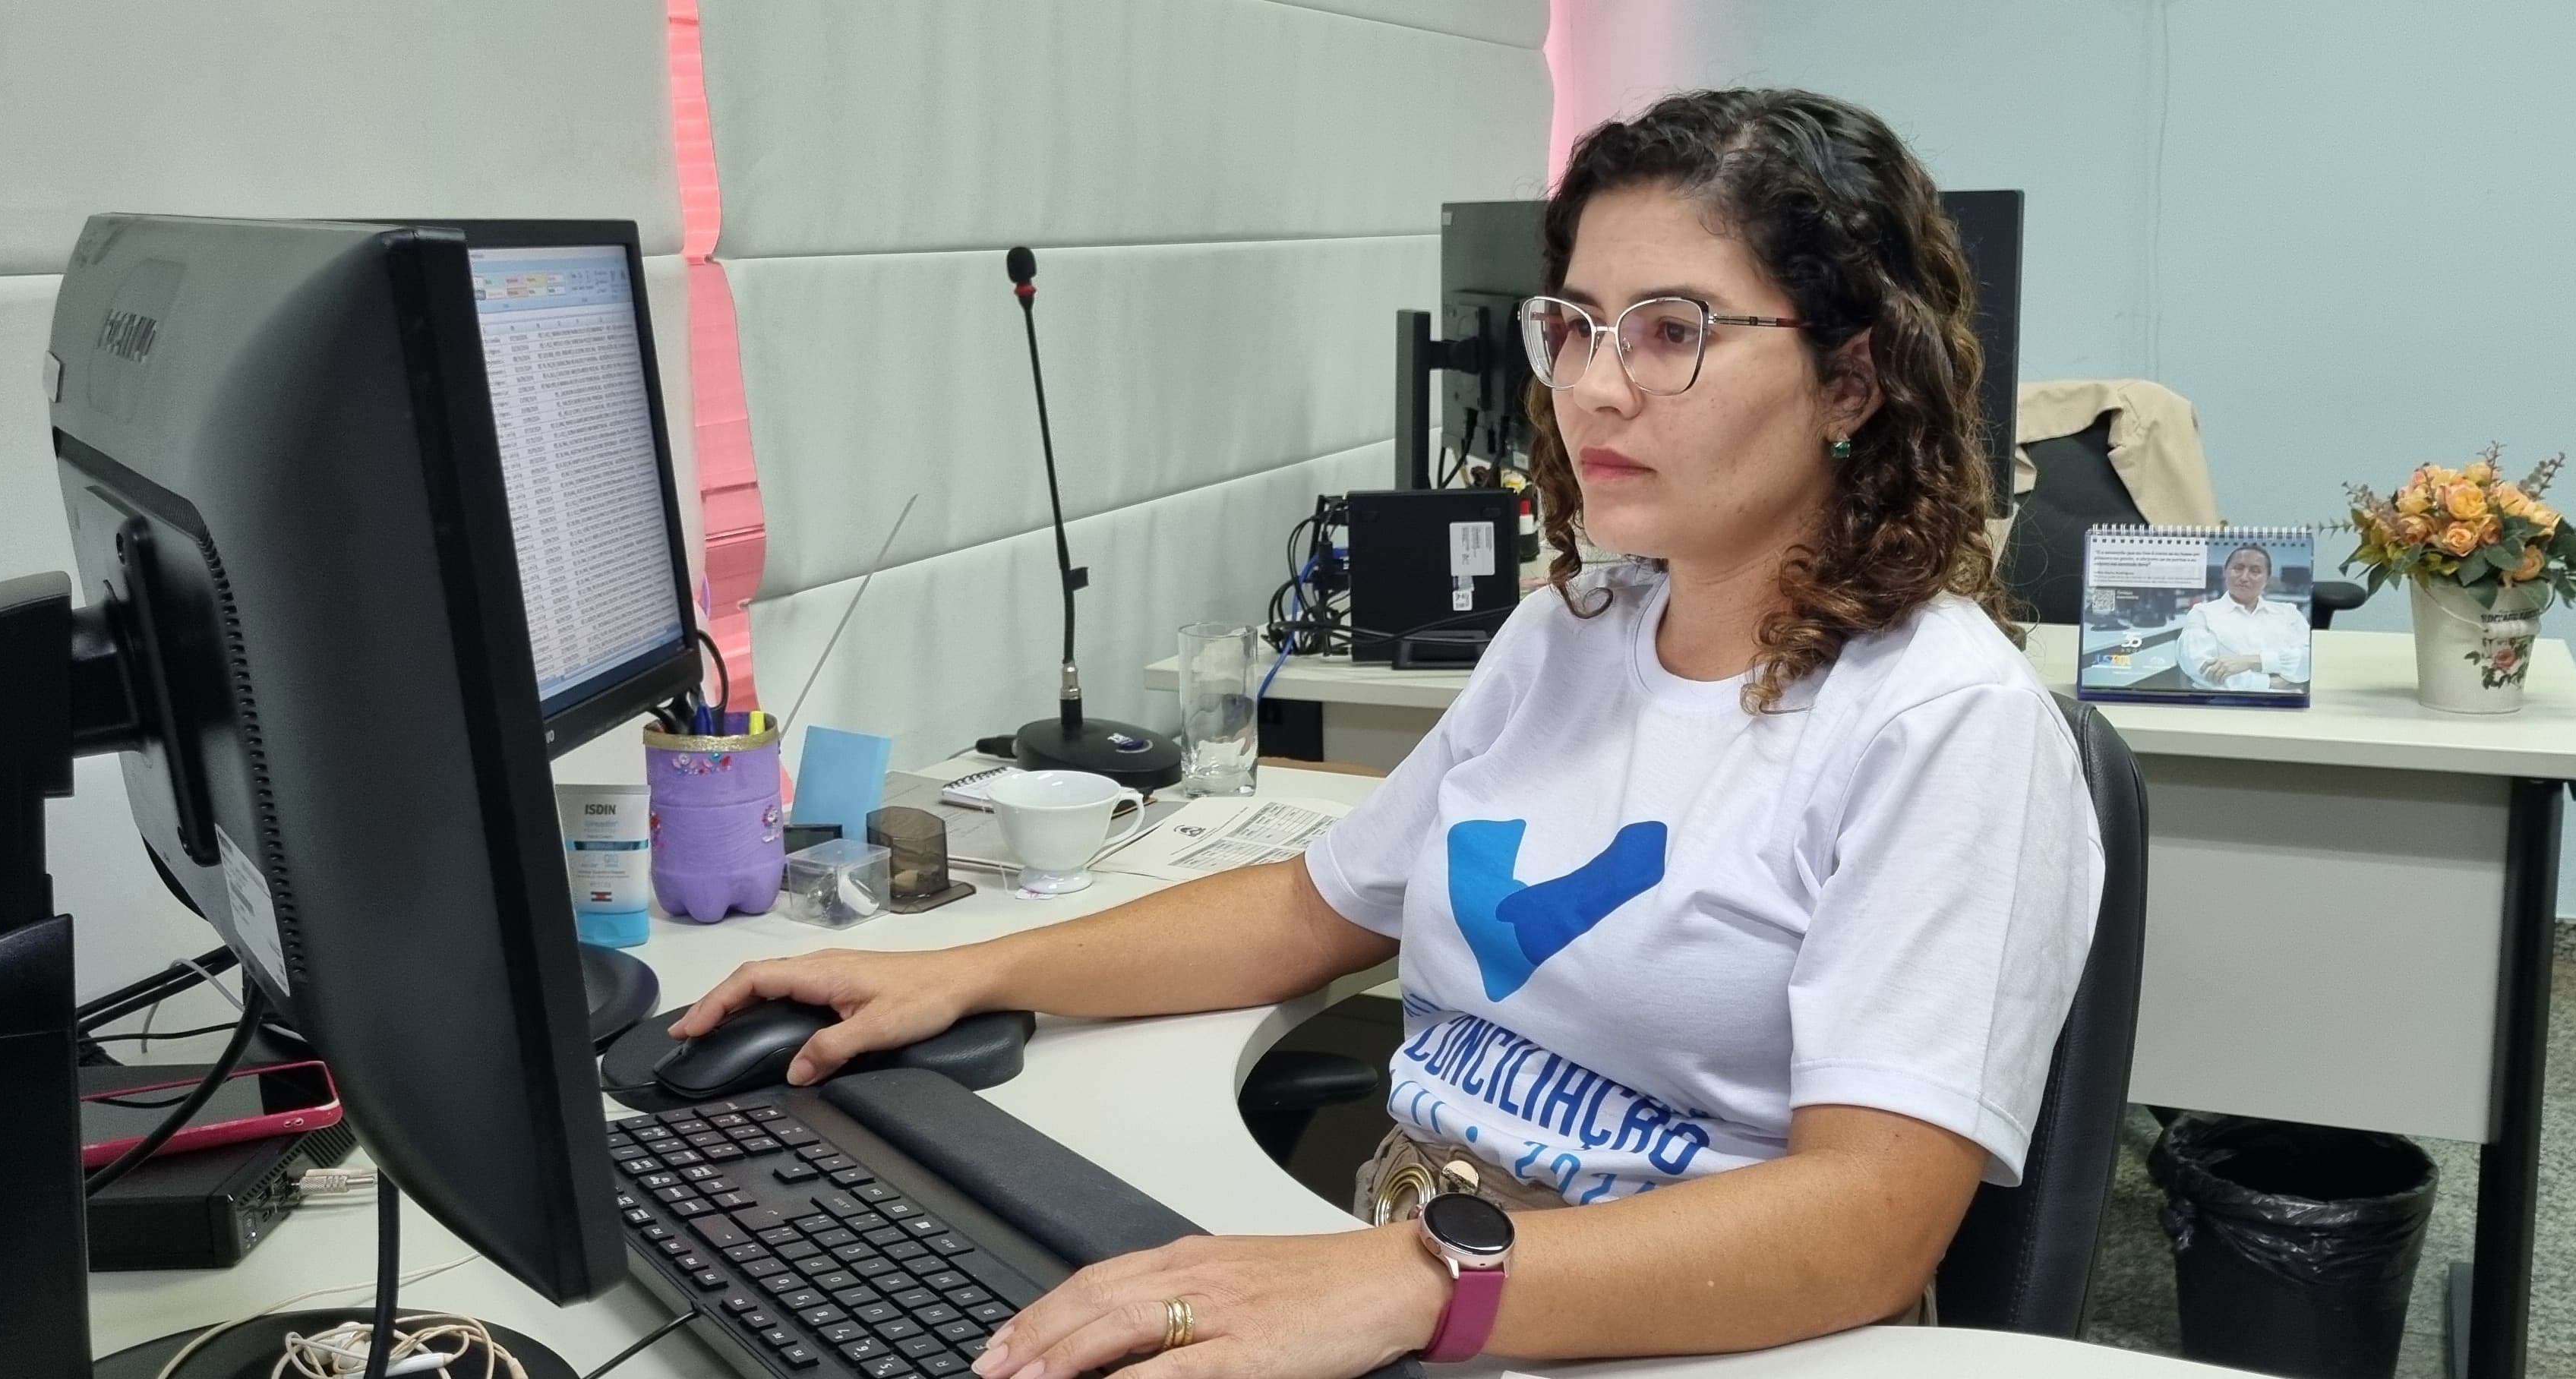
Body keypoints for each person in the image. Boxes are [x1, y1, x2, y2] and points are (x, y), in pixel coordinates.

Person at [666, 88, 2102, 1379]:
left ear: (1851, 379)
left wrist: (1415, 1286)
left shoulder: (1944, 726)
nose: (1594, 385)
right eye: (1575, 326)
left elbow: (1867, 1224)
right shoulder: (1567, 636)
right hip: (1428, 1274)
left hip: (1670, 1333)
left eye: (1672, 332)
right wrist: (964, 974)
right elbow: (1314, 907)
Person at [2176, 544, 2311, 691]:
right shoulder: (2202, 614)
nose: (2244, 577)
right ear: (2225, 573)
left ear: (2267, 579)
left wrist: (2252, 662)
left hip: (2287, 702)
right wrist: (2271, 682)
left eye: (2255, 571)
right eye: (2238, 568)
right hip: (2224, 701)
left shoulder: (2289, 614)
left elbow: (2309, 661)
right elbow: (2203, 670)